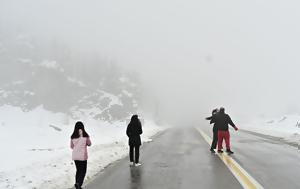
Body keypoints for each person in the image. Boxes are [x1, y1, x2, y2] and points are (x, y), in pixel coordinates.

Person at [70, 121, 92, 189]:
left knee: (78, 170)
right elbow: (89, 144)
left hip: (75, 156)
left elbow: (71, 146)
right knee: (83, 171)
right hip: (82, 156)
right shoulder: (85, 135)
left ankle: (77, 184)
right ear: (83, 127)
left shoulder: (73, 136)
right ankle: (79, 184)